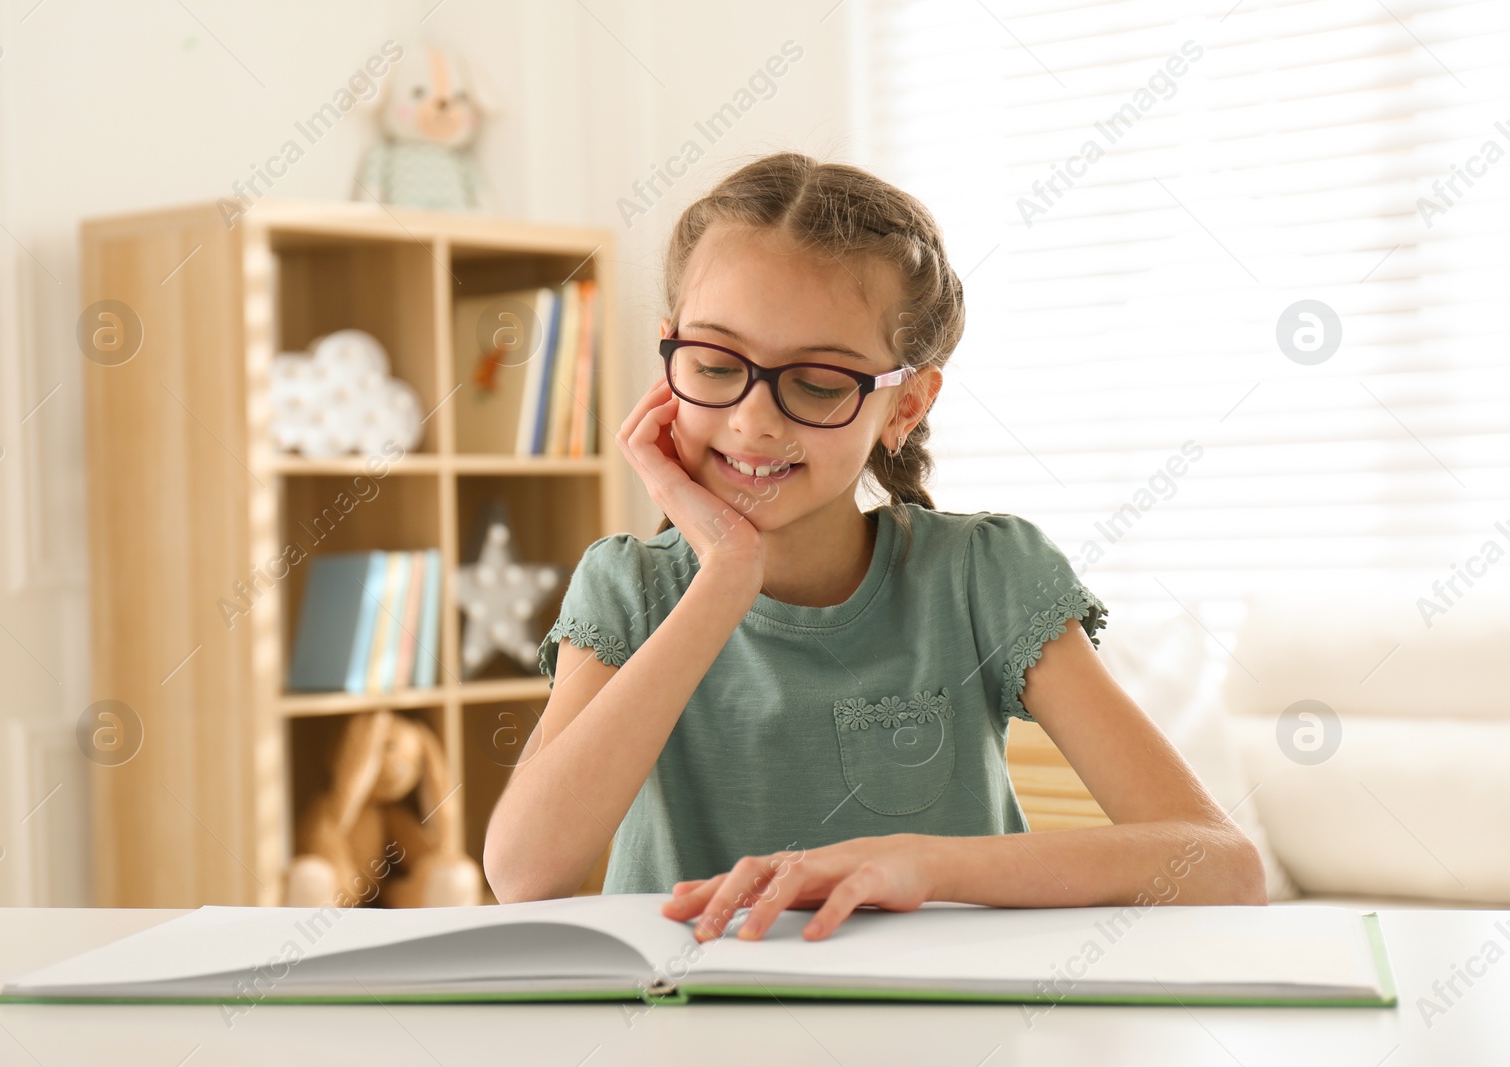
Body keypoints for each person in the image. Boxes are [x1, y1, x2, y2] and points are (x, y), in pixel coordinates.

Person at [483, 151, 1266, 942]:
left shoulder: (983, 576)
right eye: (717, 364)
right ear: (669, 354)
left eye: (819, 383)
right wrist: (726, 576)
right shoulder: (627, 588)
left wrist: (921, 864)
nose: (754, 420)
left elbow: (1222, 866)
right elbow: (523, 871)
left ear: (905, 405)